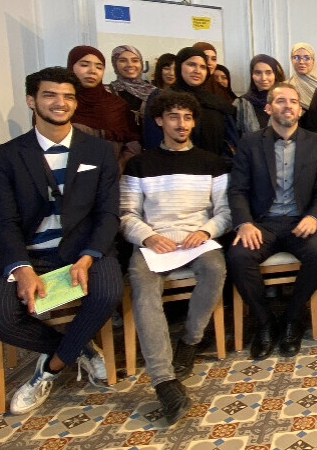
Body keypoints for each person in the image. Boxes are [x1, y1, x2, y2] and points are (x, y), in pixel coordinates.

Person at [0, 66, 121, 414]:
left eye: (68, 96)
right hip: (29, 253)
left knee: (108, 292)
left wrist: (88, 256)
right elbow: (3, 222)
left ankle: (50, 369)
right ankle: (79, 348)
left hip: (83, 250)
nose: (60, 103)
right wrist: (21, 268)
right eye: (50, 95)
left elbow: (108, 214)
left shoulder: (99, 151)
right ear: (32, 100)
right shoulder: (8, 154)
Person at [120, 91, 230, 424]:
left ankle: (190, 340)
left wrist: (207, 231)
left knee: (216, 270)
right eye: (173, 117)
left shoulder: (212, 162)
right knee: (144, 289)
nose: (181, 124)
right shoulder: (140, 164)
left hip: (197, 240)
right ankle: (163, 379)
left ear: (193, 122)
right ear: (159, 120)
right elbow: (126, 214)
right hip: (154, 243)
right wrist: (148, 236)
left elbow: (225, 212)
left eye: (187, 117)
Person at [226, 83, 317, 358]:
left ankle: (291, 319)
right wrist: (244, 223)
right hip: (262, 224)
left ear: (300, 109)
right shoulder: (250, 142)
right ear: (268, 107)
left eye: (293, 101)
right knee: (238, 256)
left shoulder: (316, 142)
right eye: (281, 101)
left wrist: (313, 217)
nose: (288, 106)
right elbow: (237, 189)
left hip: (301, 221)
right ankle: (264, 322)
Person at [143, 47, 238, 161]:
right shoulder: (162, 99)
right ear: (179, 66)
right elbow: (153, 140)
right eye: (191, 64)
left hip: (213, 168)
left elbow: (230, 143)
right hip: (171, 166)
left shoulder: (218, 103)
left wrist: (221, 165)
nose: (197, 70)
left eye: (202, 67)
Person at [67, 45, 140, 169]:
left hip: (113, 174)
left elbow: (132, 143)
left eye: (99, 67)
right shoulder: (61, 105)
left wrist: (116, 170)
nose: (93, 71)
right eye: (84, 65)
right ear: (71, 66)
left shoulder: (117, 105)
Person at [107, 45, 157, 127]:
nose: (130, 64)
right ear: (115, 64)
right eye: (123, 60)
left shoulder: (155, 93)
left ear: (141, 64)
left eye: (135, 60)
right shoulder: (108, 93)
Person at [234, 54, 285, 135]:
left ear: (275, 75)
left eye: (268, 73)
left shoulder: (286, 102)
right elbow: (233, 136)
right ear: (252, 75)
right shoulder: (241, 104)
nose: (263, 78)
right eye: (258, 73)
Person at [289, 42, 317, 110]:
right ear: (291, 60)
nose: (301, 62)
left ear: (313, 61)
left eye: (307, 58)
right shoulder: (286, 86)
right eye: (296, 57)